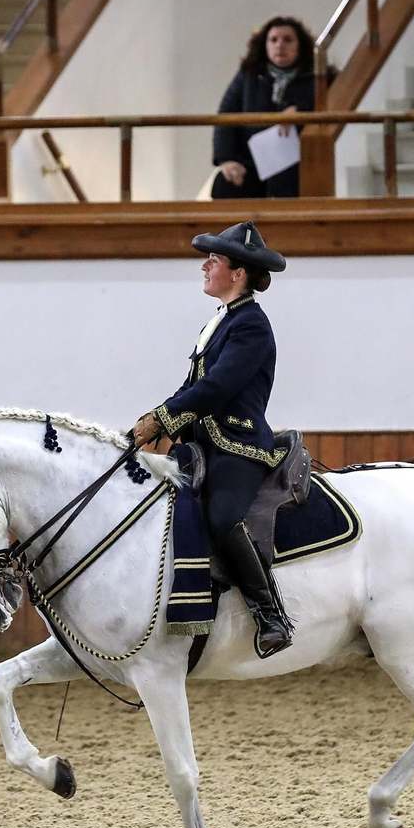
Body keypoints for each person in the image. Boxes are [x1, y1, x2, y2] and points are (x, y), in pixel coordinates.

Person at [131, 222, 293, 658]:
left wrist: (162, 417)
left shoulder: (252, 326)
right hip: (202, 445)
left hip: (237, 446)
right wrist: (156, 421)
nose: (205, 266)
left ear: (238, 274)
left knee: (222, 518)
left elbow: (218, 387)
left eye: (214, 261)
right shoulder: (220, 321)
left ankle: (270, 613)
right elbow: (191, 387)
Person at [212, 16, 327, 200]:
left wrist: (300, 111)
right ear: (264, 45)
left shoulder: (318, 77)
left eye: (287, 40)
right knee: (226, 183)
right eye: (273, 40)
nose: (280, 45)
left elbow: (328, 106)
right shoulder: (248, 75)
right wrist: (227, 160)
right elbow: (225, 117)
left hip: (297, 163)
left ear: (300, 45)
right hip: (251, 161)